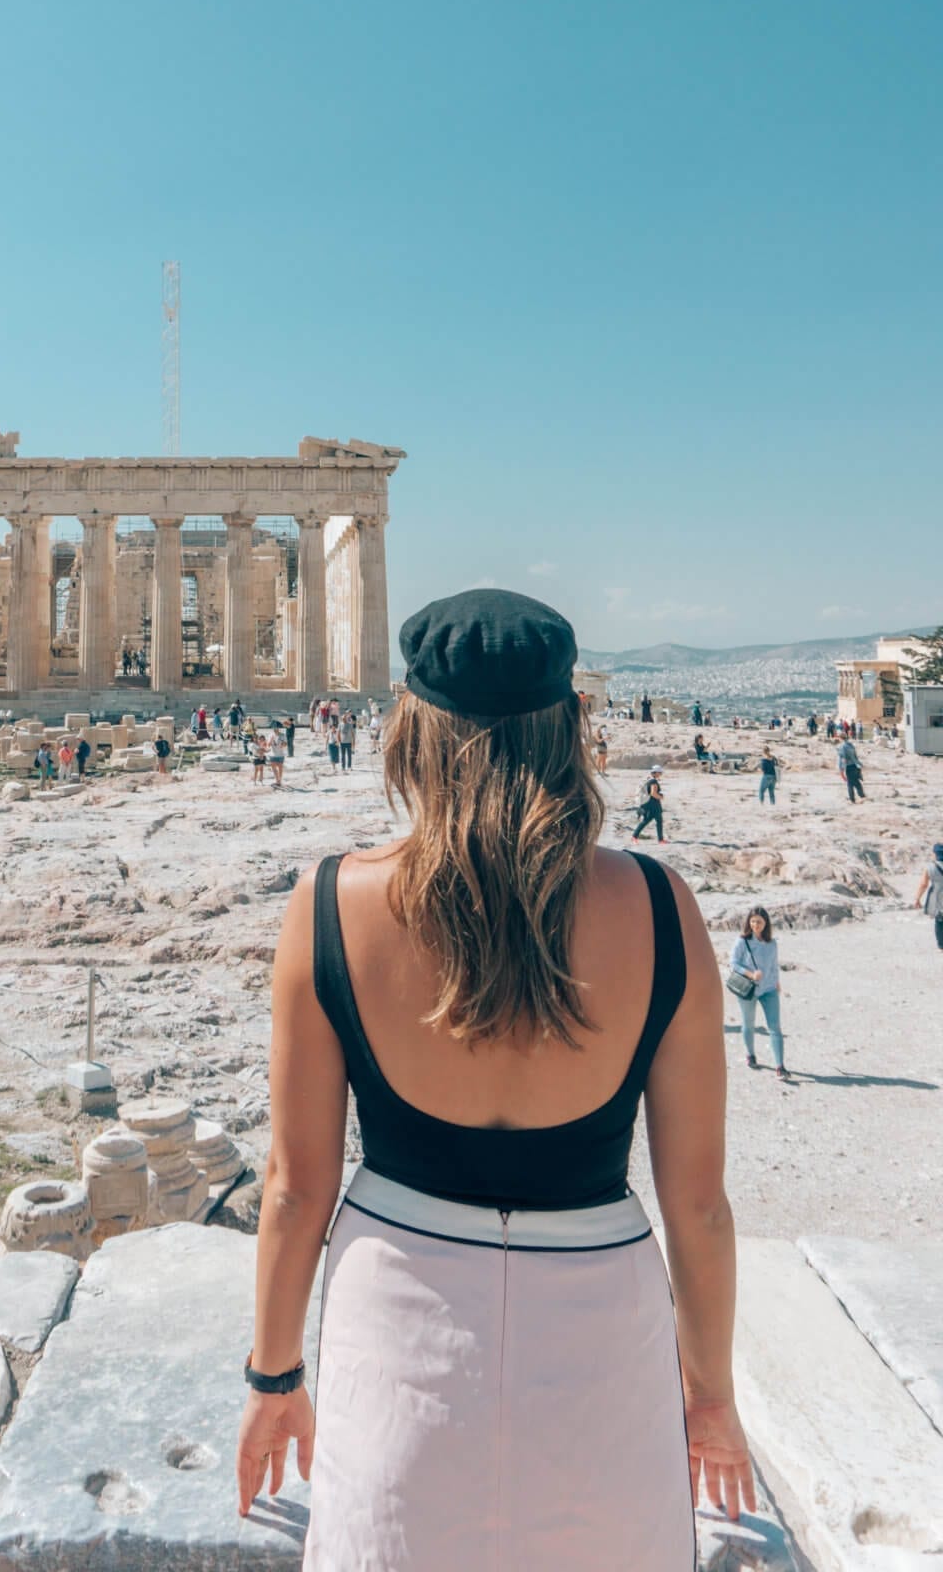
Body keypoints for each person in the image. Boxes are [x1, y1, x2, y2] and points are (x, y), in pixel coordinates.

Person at [237, 587, 751, 1562]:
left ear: (410, 733)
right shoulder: (660, 905)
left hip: (399, 1329)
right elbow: (702, 1210)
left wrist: (272, 1381)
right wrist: (711, 1399)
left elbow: (294, 1190)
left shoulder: (326, 906)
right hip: (601, 1333)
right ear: (570, 727)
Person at [730, 907, 787, 1078]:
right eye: (753, 921)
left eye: (759, 922)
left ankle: (780, 1066)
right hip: (748, 989)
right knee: (749, 1024)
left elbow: (774, 965)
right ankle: (750, 1055)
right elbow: (733, 963)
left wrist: (777, 983)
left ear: (766, 923)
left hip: (769, 989)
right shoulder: (742, 941)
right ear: (749, 922)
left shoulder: (772, 943)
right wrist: (750, 974)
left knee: (775, 1027)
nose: (755, 925)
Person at [914, 845, 943, 952]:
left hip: (937, 896)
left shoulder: (930, 867)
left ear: (935, 854)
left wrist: (917, 898)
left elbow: (923, 884)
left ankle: (941, 946)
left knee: (940, 921)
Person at [632, 768, 666, 843]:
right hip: (653, 804)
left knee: (651, 820)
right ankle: (660, 840)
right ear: (655, 773)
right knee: (655, 821)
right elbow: (653, 793)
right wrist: (661, 797)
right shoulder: (653, 781)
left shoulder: (647, 779)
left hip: (647, 803)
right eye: (660, 772)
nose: (661, 774)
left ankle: (660, 840)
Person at [837, 736, 865, 802]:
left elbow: (843, 759)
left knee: (850, 784)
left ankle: (852, 799)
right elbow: (855, 757)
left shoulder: (842, 747)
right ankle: (862, 796)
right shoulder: (851, 745)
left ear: (840, 738)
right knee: (856, 782)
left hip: (849, 767)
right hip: (855, 766)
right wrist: (860, 764)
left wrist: (841, 771)